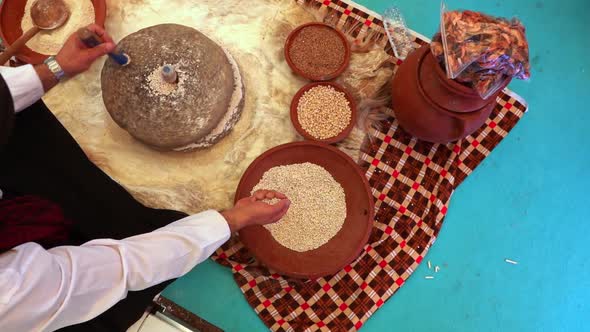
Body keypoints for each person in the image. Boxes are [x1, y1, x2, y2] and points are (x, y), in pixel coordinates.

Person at [0, 24, 290, 332]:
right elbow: (124, 267)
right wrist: (229, 221)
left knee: (31, 133)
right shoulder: (10, 292)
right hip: (49, 300)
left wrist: (56, 69)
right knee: (126, 238)